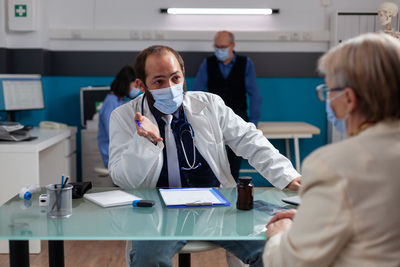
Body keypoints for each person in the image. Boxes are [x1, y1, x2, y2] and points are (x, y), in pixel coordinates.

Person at [108, 45, 301, 267]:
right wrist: (146, 141)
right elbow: (123, 179)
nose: (170, 88)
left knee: (272, 250)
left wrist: (287, 176)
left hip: (218, 205)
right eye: (159, 82)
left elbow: (249, 140)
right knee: (148, 259)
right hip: (159, 212)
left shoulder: (209, 104)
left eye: (175, 78)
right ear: (141, 85)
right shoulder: (123, 117)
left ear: (183, 72)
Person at [263, 33, 400, 267]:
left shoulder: (335, 165)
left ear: (348, 99)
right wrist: (314, 221)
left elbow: (290, 262)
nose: (326, 100)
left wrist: (280, 235)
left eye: (328, 91)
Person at [192, 30, 262, 180]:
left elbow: (254, 94)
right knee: (209, 148)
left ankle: (233, 185)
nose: (219, 50)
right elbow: (196, 92)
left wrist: (253, 123)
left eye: (223, 47)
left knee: (236, 151)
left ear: (232, 45)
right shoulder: (207, 63)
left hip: (238, 112)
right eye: (217, 47)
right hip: (213, 113)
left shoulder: (245, 63)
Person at [97, 65, 140, 168]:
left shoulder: (120, 101)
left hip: (121, 153)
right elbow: (112, 133)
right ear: (127, 83)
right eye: (135, 86)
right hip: (114, 156)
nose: (137, 89)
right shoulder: (111, 102)